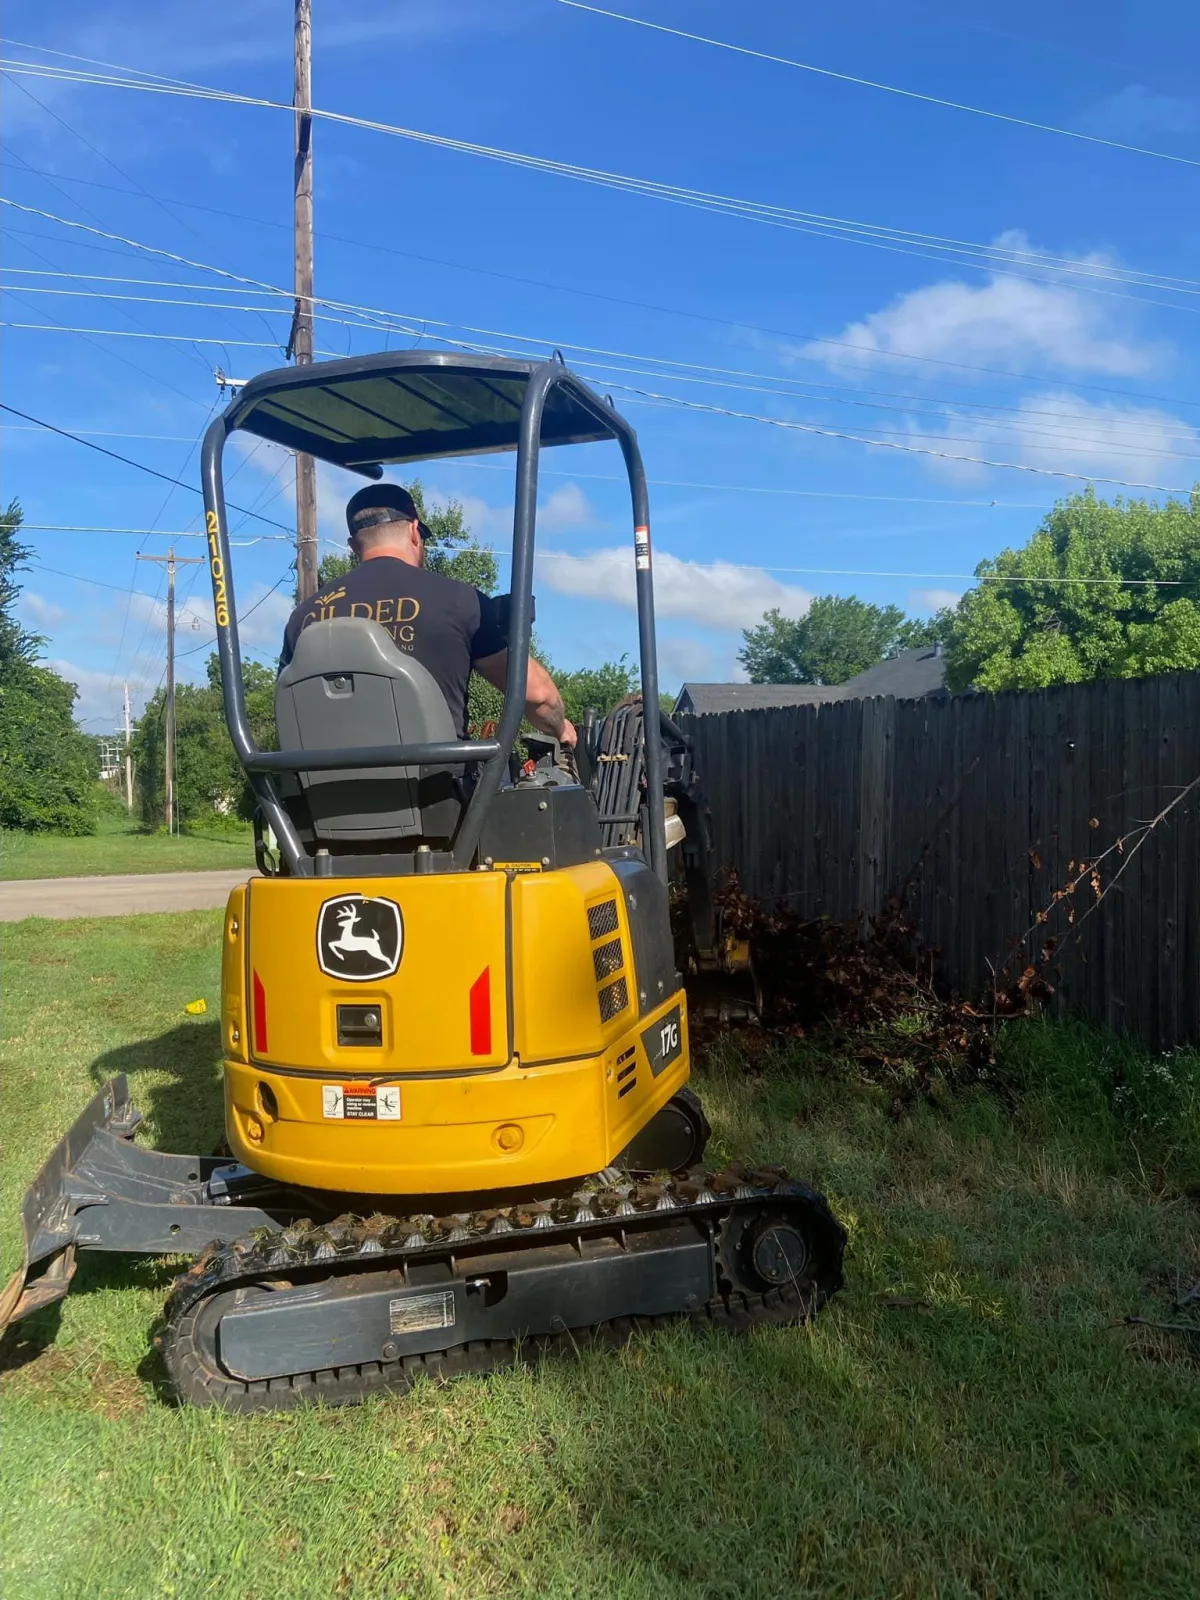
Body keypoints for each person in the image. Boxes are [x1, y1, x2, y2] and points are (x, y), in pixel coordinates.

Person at [279, 483, 577, 748]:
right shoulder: (460, 600)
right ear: (414, 530)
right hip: (438, 800)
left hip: (319, 802)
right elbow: (538, 695)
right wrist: (561, 729)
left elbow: (288, 708)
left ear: (354, 546)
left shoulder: (304, 617)